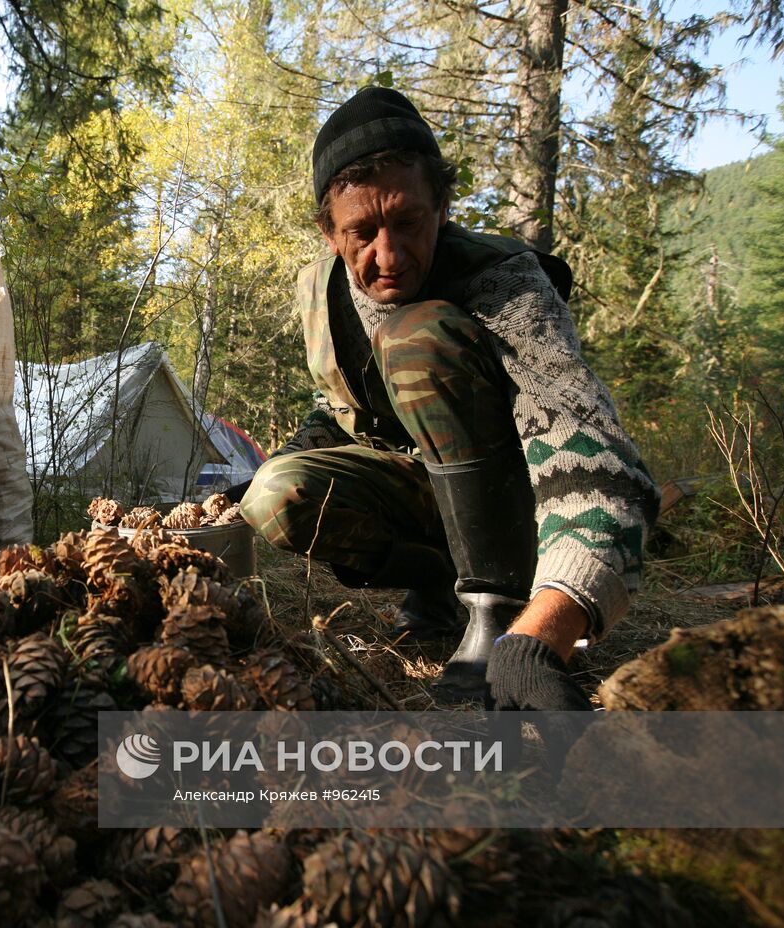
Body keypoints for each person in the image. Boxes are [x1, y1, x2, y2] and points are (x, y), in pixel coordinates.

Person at [232, 86, 660, 710]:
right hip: (428, 493)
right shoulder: (320, 296)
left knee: (415, 340)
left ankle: (498, 603)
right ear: (328, 231)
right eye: (362, 231)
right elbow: (341, 412)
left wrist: (547, 630)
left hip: (523, 505)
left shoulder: (504, 283)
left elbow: (590, 448)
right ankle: (442, 585)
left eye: (408, 221)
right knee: (274, 494)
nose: (389, 255)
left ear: (442, 204)